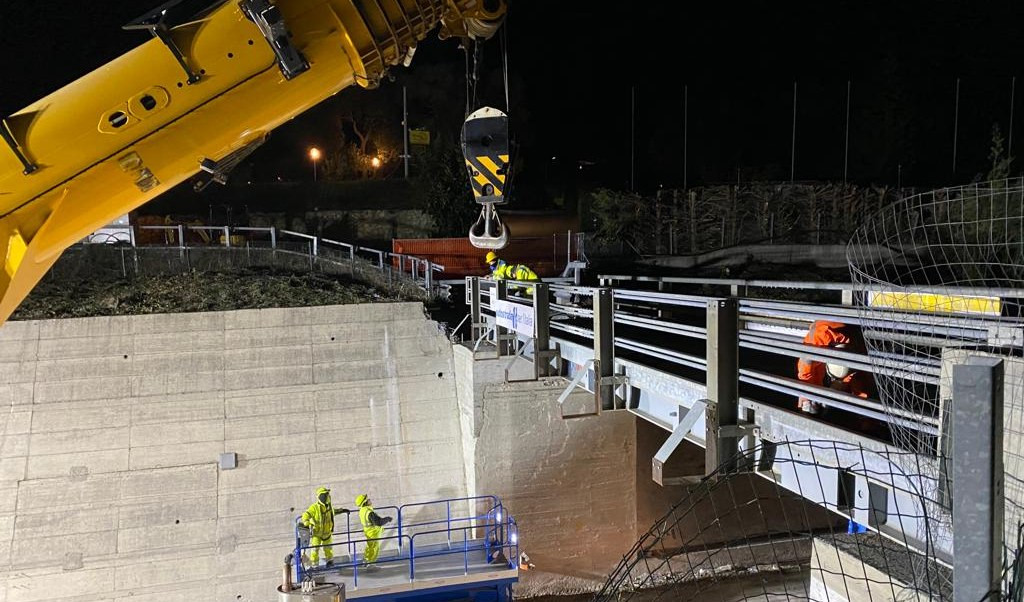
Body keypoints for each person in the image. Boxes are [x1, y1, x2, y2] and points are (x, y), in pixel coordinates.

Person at [796, 320, 875, 414]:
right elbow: (806, 360)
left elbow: (849, 372)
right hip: (831, 331)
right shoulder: (821, 337)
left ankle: (866, 420)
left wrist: (836, 386)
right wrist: (806, 389)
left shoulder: (855, 348)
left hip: (841, 334)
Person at [301, 487, 349, 567]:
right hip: (317, 534)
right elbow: (306, 514)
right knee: (315, 549)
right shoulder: (314, 507)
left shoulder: (328, 507)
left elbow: (333, 512)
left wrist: (342, 510)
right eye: (327, 495)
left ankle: (330, 562)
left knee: (328, 548)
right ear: (322, 496)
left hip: (327, 533)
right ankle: (314, 565)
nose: (328, 497)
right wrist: (307, 523)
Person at [355, 494, 392, 565]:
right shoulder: (369, 512)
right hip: (373, 533)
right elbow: (379, 522)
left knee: (369, 547)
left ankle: (366, 560)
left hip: (368, 532)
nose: (369, 500)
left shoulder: (362, 510)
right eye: (368, 499)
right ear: (365, 502)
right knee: (374, 548)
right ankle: (371, 564)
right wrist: (387, 519)